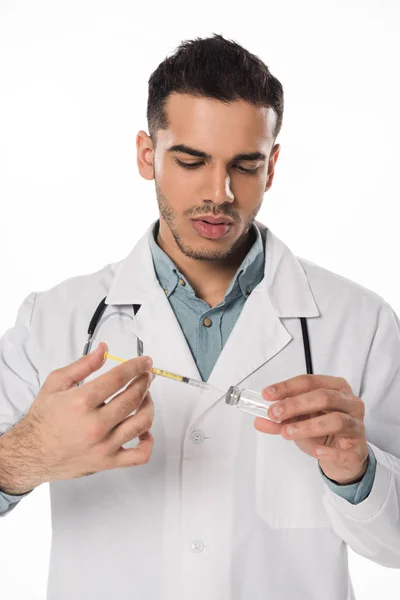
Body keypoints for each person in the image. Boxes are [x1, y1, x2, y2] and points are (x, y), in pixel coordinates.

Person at [0, 33, 399, 600]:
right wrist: (27, 455)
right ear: (147, 154)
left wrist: (357, 474)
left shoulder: (361, 324)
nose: (221, 193)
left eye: (245, 165)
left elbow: (395, 545)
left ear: (273, 165)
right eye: (191, 161)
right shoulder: (55, 320)